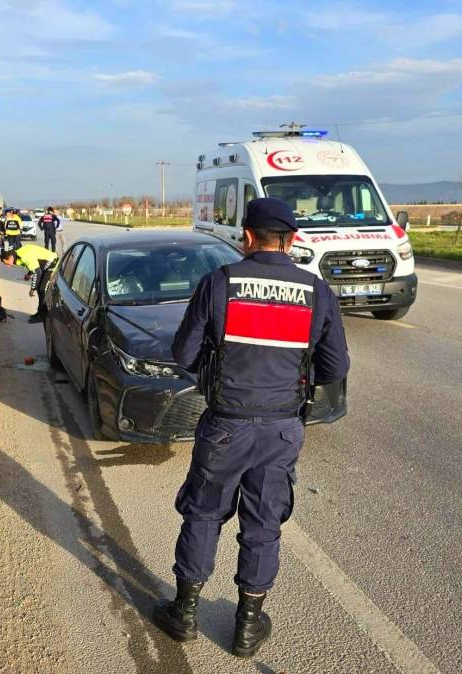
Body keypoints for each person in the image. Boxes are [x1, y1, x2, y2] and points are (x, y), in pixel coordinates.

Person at [152, 198, 350, 658]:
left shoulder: (219, 283)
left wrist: (222, 378)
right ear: (293, 239)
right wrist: (289, 382)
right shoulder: (316, 291)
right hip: (281, 430)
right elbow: (335, 365)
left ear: (246, 236)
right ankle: (246, 626)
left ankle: (183, 613)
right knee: (263, 523)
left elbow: (184, 354)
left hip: (226, 424)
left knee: (203, 514)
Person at [1, 242, 58, 323]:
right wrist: (29, 274)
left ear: (10, 258)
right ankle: (40, 312)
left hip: (52, 263)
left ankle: (43, 315)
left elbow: (37, 272)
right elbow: (34, 265)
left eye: (7, 263)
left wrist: (32, 289)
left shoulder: (24, 256)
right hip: (43, 265)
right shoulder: (18, 255)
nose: (8, 266)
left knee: (42, 289)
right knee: (40, 289)